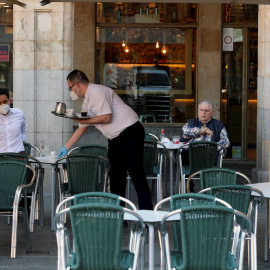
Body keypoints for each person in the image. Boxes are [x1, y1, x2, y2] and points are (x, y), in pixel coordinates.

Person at [57, 70, 153, 210]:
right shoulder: (87, 100)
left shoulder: (97, 91)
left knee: (136, 174)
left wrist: (81, 119)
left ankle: (147, 214)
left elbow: (107, 117)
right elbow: (82, 127)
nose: (71, 91)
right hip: (115, 138)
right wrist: (66, 147)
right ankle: (119, 215)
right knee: (116, 178)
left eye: (70, 88)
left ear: (77, 84)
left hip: (130, 132)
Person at [0, 88, 27, 153]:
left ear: (9, 101)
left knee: (29, 163)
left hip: (18, 156)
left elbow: (23, 130)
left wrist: (22, 142)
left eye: (5, 101)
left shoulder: (19, 114)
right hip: (1, 158)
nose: (2, 105)